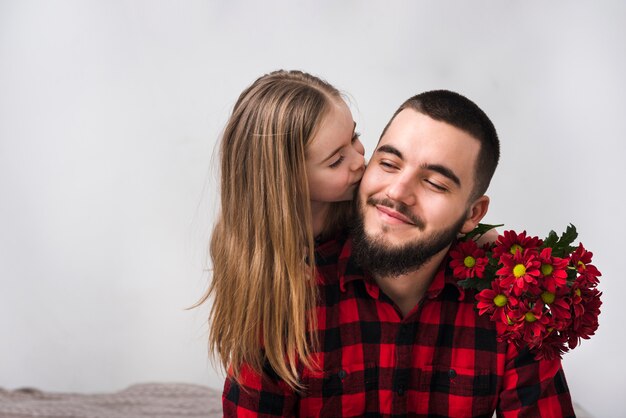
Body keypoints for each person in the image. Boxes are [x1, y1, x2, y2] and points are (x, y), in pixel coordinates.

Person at [222, 90, 575, 417]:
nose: (398, 191)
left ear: (473, 215)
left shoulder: (510, 309)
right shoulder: (287, 291)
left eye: (435, 183)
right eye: (389, 164)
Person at [197, 70, 365, 391]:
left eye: (355, 137)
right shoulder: (255, 261)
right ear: (287, 181)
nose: (359, 160)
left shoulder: (368, 216)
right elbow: (257, 389)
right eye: (335, 161)